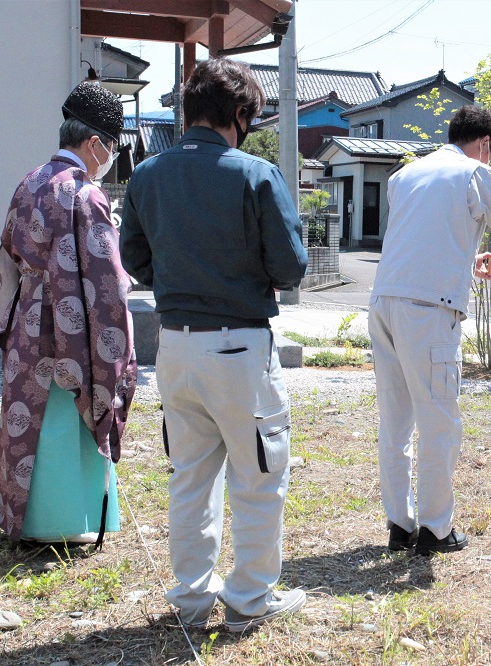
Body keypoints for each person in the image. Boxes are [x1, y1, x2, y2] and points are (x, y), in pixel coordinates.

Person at [119, 57, 309, 632]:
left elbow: (135, 260)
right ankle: (250, 599)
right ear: (239, 114)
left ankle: (191, 599)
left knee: (190, 477)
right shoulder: (254, 174)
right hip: (241, 348)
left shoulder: (148, 174)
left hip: (174, 346)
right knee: (257, 478)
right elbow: (292, 265)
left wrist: (183, 274)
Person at [0, 82, 137, 547]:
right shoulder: (84, 194)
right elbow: (105, 281)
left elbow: (8, 253)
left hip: (26, 320)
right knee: (70, 413)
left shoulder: (30, 180)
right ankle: (68, 520)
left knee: (31, 416)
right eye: (112, 145)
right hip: (70, 327)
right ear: (94, 143)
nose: (112, 155)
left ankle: (28, 519)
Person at [368, 105, 491, 556]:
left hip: (384, 301)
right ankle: (436, 529)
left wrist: (469, 264)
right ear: (484, 144)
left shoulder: (404, 176)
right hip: (428, 311)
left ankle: (399, 524)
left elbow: (423, 240)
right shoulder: (473, 172)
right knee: (439, 419)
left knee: (396, 421)